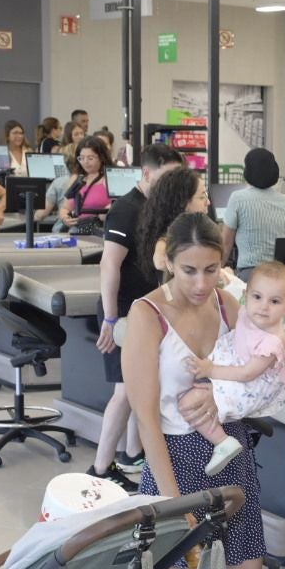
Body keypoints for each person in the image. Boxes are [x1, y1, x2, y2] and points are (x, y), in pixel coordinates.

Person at [122, 212, 278, 569]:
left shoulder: (227, 304)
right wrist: (173, 504)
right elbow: (145, 419)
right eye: (190, 269)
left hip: (230, 455)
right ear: (166, 256)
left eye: (212, 269)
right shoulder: (145, 316)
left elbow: (261, 372)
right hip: (176, 464)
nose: (200, 282)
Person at [91, 143, 187, 489]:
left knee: (141, 386)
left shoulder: (156, 209)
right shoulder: (125, 210)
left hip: (143, 311)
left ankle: (131, 455)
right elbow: (109, 265)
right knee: (125, 391)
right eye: (168, 176)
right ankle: (100, 469)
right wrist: (111, 318)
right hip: (121, 312)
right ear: (147, 172)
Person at [187, 260, 285, 475]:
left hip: (247, 387)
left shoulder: (271, 343)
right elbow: (232, 286)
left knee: (189, 403)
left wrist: (210, 371)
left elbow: (247, 374)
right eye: (257, 297)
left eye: (274, 301)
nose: (263, 306)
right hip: (233, 368)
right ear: (247, 295)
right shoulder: (247, 310)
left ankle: (222, 442)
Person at [223, 147, 285, 279]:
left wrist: (218, 270)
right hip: (282, 276)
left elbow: (226, 243)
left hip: (249, 275)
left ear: (247, 172)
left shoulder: (238, 199)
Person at [58, 136, 112, 230]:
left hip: (102, 229)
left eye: (90, 158)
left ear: (102, 157)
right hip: (79, 229)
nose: (85, 162)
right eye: (81, 158)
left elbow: (120, 205)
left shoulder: (109, 178)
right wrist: (65, 218)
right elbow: (65, 208)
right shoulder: (78, 178)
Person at [35, 152, 76, 232]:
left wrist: (32, 214)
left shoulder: (59, 182)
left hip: (63, 231)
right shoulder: (96, 181)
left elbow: (41, 215)